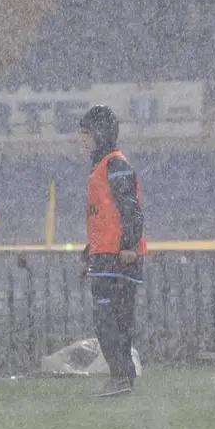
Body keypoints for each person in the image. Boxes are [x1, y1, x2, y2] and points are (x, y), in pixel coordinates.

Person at [78, 106, 146, 398]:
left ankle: (120, 377)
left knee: (111, 320)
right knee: (113, 321)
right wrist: (88, 256)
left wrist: (130, 246)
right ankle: (122, 378)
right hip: (106, 257)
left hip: (117, 258)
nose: (83, 140)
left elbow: (131, 209)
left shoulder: (114, 165)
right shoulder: (104, 166)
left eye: (87, 134)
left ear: (101, 134)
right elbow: (101, 220)